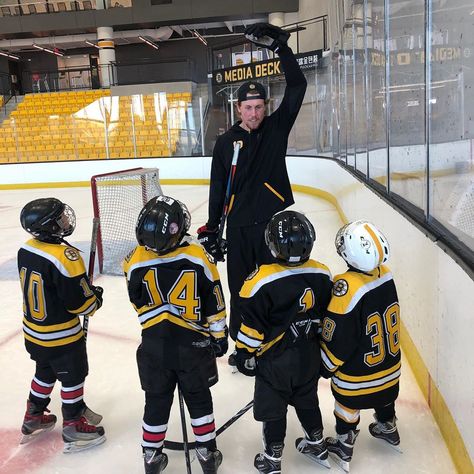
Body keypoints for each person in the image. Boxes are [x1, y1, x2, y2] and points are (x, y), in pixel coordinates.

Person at [197, 23, 308, 357]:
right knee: (240, 287)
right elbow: (218, 188)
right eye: (248, 108)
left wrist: (281, 49)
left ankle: (272, 339)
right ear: (238, 109)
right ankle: (244, 346)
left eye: (260, 106)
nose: (255, 113)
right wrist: (213, 226)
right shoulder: (227, 142)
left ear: (266, 105)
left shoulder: (277, 128)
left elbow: (298, 85)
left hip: (273, 226)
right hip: (240, 228)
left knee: (272, 285)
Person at [123, 195, 228, 474]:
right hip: (193, 346)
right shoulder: (198, 257)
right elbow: (215, 302)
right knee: (199, 399)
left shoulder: (133, 260)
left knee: (155, 401)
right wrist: (219, 336)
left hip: (154, 345)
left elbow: (137, 300)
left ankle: (151, 457)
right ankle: (206, 453)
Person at [233, 210, 333, 473]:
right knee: (307, 400)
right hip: (309, 355)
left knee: (274, 410)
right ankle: (317, 443)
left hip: (275, 361)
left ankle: (272, 459)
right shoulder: (323, 273)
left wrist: (244, 354)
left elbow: (252, 327)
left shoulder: (259, 280)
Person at [18, 198, 106, 453]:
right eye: (60, 218)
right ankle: (73, 423)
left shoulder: (26, 249)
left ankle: (33, 415)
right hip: (62, 336)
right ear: (48, 227)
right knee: (73, 375)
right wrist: (94, 297)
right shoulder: (65, 257)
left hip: (34, 334)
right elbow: (81, 305)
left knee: (44, 371)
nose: (66, 221)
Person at [320, 220, 401, 473]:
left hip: (357, 381)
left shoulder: (346, 287)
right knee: (383, 397)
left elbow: (340, 339)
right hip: (391, 374)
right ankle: (388, 427)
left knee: (346, 403)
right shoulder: (386, 273)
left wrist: (326, 364)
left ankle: (344, 444)